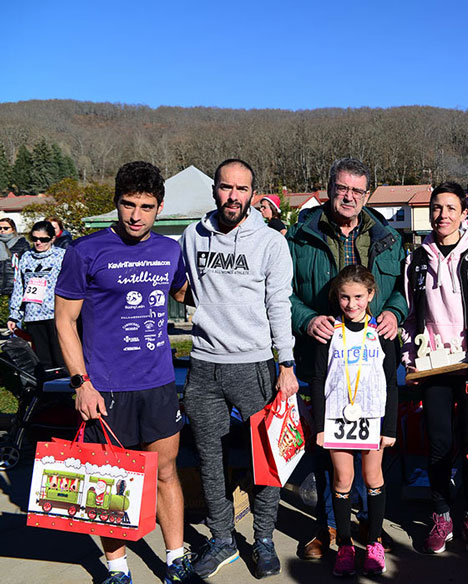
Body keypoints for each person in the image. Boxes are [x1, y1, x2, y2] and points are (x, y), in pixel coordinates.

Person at [55, 161, 192, 584]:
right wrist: (82, 383)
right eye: (128, 205)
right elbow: (64, 320)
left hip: (158, 384)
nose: (136, 215)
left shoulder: (171, 250)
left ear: (160, 207)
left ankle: (175, 558)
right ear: (115, 202)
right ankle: (117, 568)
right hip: (106, 389)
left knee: (166, 473)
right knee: (112, 480)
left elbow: (186, 292)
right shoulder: (86, 251)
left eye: (146, 207)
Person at [180, 158, 299, 580]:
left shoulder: (269, 243)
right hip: (203, 365)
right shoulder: (191, 236)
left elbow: (278, 305)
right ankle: (222, 540)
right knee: (210, 461)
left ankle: (264, 538)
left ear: (253, 193)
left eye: (241, 189)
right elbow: (182, 286)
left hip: (254, 366)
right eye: (226, 187)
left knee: (265, 460)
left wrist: (286, 363)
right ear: (214, 189)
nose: (233, 196)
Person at [287, 157, 407, 558]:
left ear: (367, 194)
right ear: (329, 188)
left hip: (372, 363)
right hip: (322, 359)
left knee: (371, 454)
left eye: (358, 190)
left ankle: (368, 527)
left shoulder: (388, 237)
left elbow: (401, 292)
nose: (349, 197)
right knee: (328, 453)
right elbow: (281, 294)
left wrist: (394, 312)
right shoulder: (300, 236)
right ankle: (330, 529)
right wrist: (306, 320)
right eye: (342, 188)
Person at [402, 181, 468, 555]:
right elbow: (411, 315)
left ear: (464, 213)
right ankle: (441, 514)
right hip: (433, 366)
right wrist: (411, 356)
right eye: (436, 208)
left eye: (450, 209)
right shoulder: (416, 259)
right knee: (439, 442)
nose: (442, 215)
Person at [311, 265, 398, 576]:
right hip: (337, 416)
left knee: (373, 478)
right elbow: (319, 378)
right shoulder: (330, 334)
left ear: (371, 295)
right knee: (343, 480)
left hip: (371, 415)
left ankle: (373, 542)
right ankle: (345, 545)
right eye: (345, 297)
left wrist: (390, 427)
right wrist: (321, 426)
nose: (351, 304)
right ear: (337, 297)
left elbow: (390, 382)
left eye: (358, 297)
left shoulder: (382, 334)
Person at [7, 220, 67, 372]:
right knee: (43, 361)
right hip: (33, 316)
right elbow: (19, 287)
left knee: (61, 358)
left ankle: (65, 392)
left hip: (56, 314)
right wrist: (14, 315)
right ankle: (48, 393)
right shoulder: (26, 257)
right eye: (34, 239)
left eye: (43, 239)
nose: (38, 243)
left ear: (52, 239)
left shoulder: (62, 256)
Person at [0, 217, 32, 300]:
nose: (2, 230)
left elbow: (28, 265)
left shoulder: (21, 243)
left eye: (6, 228)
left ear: (13, 229)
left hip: (15, 288)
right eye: (0, 228)